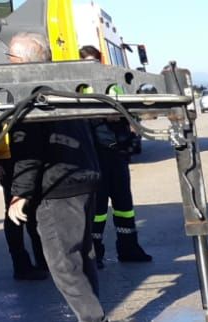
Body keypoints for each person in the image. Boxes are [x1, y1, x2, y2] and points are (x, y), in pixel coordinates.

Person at [5, 33, 115, 322]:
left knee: (63, 263)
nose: (6, 63)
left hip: (57, 188)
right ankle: (89, 321)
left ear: (22, 62)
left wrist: (19, 194)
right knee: (82, 256)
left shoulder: (30, 95)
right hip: (82, 179)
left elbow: (29, 149)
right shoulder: (62, 85)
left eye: (9, 57)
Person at [79, 45, 152, 266]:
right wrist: (103, 114)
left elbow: (127, 107)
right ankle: (95, 254)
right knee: (98, 207)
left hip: (117, 151)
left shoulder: (113, 82)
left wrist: (120, 116)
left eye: (95, 60)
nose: (93, 65)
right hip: (96, 152)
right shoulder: (80, 85)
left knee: (124, 204)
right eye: (88, 62)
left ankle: (129, 248)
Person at [0, 154, 48, 280]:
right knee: (15, 213)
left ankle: (43, 260)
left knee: (34, 212)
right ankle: (22, 266)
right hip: (11, 163)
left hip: (31, 160)